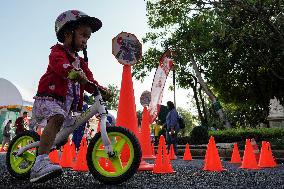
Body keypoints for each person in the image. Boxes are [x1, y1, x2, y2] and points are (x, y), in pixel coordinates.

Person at [29, 10, 112, 183]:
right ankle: (39, 164)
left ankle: (47, 148)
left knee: (63, 137)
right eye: (83, 35)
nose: (85, 41)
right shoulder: (57, 52)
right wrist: (72, 72)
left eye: (88, 38)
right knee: (57, 117)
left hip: (67, 104)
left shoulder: (81, 62)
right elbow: (60, 65)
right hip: (50, 97)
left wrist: (101, 89)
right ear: (68, 33)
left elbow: (90, 80)